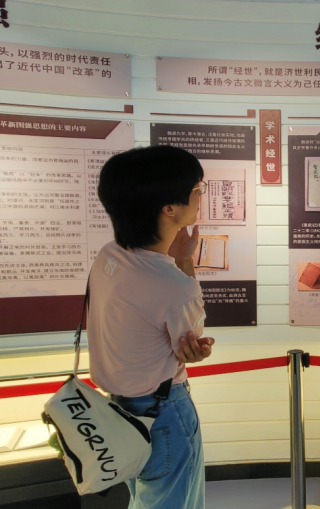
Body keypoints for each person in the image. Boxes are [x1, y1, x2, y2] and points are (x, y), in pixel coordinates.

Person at [88, 145, 214, 508]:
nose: (201, 196)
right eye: (198, 189)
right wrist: (185, 264)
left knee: (145, 499)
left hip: (120, 410)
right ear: (169, 208)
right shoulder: (173, 284)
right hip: (164, 413)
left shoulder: (110, 254)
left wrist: (178, 258)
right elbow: (190, 340)